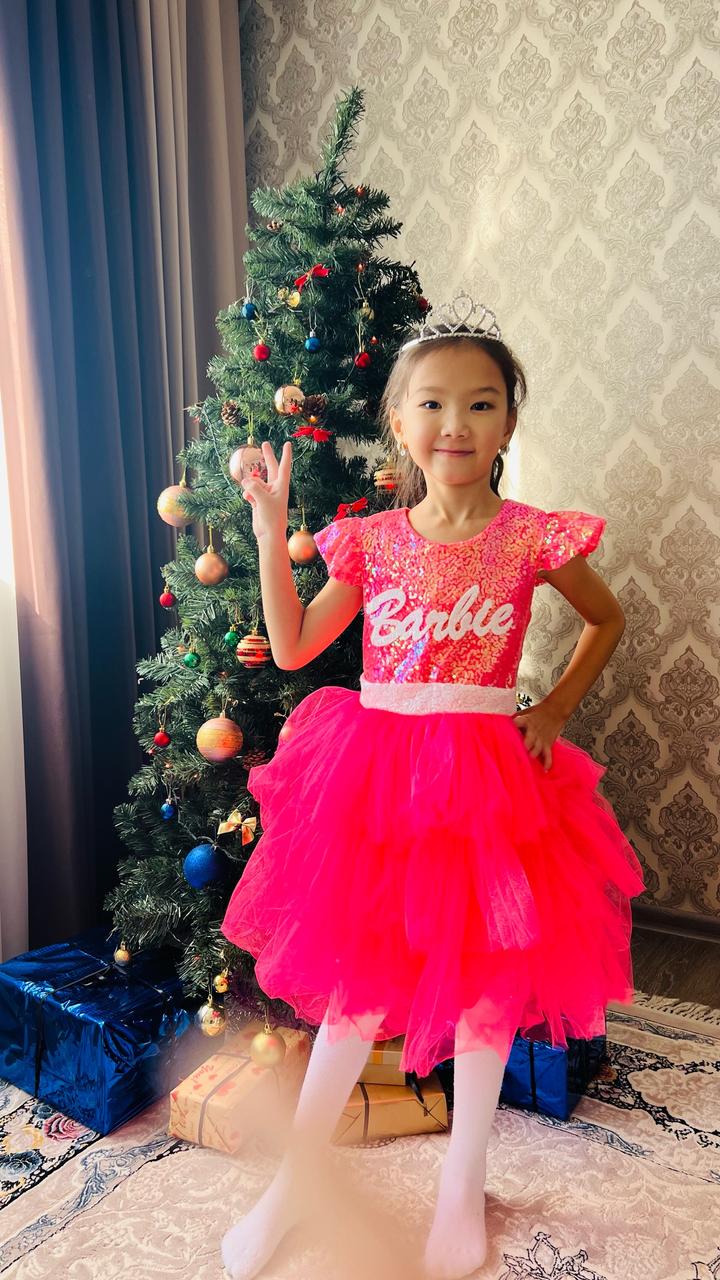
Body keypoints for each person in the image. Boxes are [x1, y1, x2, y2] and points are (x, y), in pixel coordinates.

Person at [219, 297, 646, 1280]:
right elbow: (293, 645)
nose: (456, 423)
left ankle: (464, 1182)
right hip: (379, 780)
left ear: (508, 421)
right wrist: (270, 526)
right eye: (433, 403)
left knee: (489, 977)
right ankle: (298, 1179)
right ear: (400, 423)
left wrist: (554, 709)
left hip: (493, 784)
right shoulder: (372, 539)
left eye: (481, 403)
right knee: (356, 987)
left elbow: (607, 619)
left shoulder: (532, 536)